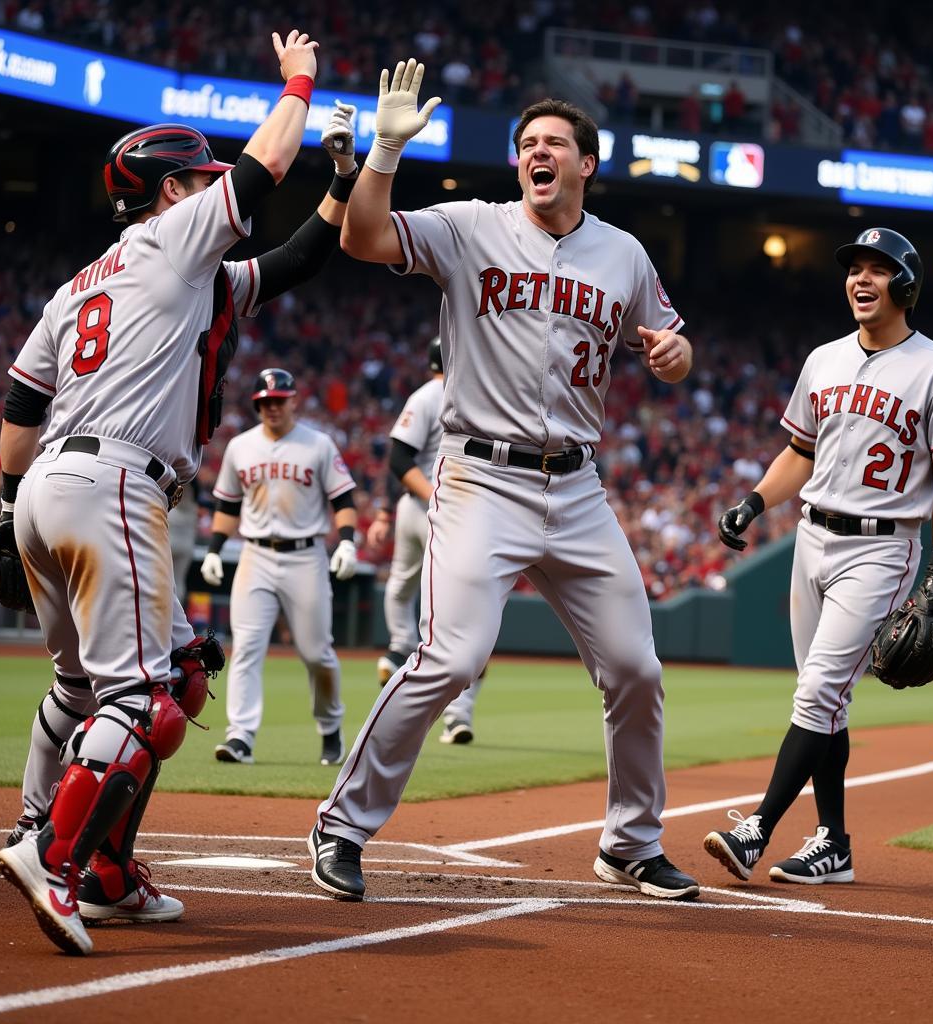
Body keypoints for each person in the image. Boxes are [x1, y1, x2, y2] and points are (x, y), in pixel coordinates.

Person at [0, 29, 361, 955]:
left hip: (44, 485)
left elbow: (21, 401)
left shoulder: (89, 282)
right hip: (116, 479)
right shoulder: (175, 237)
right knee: (145, 700)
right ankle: (54, 852)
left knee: (100, 683)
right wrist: (300, 81)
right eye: (197, 179)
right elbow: (265, 162)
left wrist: (4, 508)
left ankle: (99, 864)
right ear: (166, 190)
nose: (211, 190)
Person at [308, 58, 700, 903]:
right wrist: (381, 152)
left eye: (556, 142)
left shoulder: (624, 255)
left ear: (587, 165)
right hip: (482, 477)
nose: (538, 152)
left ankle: (629, 844)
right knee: (450, 655)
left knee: (636, 668)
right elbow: (362, 238)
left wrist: (672, 355)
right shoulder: (469, 226)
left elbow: (671, 342)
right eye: (527, 143)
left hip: (581, 488)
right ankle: (342, 824)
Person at [703, 228, 933, 885]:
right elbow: (800, 453)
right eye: (854, 268)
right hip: (811, 537)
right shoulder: (824, 359)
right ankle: (833, 842)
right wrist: (752, 502)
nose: (861, 279)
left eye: (878, 270)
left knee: (819, 691)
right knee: (824, 703)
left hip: (881, 548)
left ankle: (757, 831)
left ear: (906, 286)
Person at [200, 367, 359, 767]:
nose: (272, 407)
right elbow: (228, 505)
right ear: (257, 405)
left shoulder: (318, 445)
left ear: (293, 400)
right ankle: (240, 736)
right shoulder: (240, 446)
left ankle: (329, 726)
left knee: (316, 653)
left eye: (279, 400)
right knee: (247, 648)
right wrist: (216, 549)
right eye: (265, 402)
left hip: (306, 556)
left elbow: (343, 500)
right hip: (255, 554)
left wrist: (347, 543)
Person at [369, 337, 483, 744]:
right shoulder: (473, 391)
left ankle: (399, 647)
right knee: (465, 609)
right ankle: (458, 713)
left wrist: (386, 509)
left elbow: (398, 459)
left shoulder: (425, 394)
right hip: (452, 510)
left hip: (416, 508)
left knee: (401, 587)